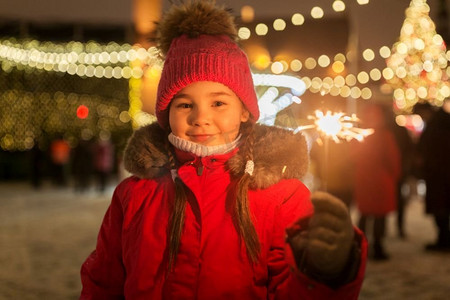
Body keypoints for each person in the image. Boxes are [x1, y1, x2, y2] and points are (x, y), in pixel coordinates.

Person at [80, 1, 367, 299]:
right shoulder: (134, 195)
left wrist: (325, 273)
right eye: (185, 104)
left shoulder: (282, 197)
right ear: (166, 114)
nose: (200, 117)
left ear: (244, 111)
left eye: (218, 103)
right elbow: (103, 281)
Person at [352, 103, 401, 260]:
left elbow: (352, 157)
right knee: (379, 216)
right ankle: (377, 247)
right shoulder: (384, 136)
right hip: (380, 180)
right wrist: (395, 174)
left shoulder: (360, 135)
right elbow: (393, 159)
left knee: (365, 214)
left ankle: (360, 246)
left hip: (366, 179)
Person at [416, 99, 450, 251]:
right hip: (440, 175)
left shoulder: (437, 126)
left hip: (439, 176)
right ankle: (444, 238)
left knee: (441, 209)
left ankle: (444, 239)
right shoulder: (440, 122)